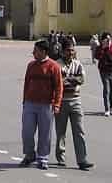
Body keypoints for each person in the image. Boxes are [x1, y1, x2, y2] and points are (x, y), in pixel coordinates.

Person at [20, 40, 63, 171]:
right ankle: (29, 154)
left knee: (45, 133)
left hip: (46, 105)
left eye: (36, 50)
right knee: (27, 131)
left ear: (44, 52)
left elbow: (59, 87)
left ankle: (42, 157)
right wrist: (24, 101)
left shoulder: (53, 66)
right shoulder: (31, 65)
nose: (33, 53)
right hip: (30, 103)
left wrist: (57, 104)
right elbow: (26, 83)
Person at [54, 40, 93, 171]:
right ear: (62, 51)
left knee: (79, 131)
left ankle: (82, 159)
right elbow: (58, 83)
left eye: (72, 50)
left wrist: (68, 79)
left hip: (76, 100)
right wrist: (72, 79)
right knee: (61, 132)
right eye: (68, 50)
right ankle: (61, 157)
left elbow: (82, 80)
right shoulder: (57, 65)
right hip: (62, 101)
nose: (70, 53)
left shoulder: (78, 64)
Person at [94, 32, 112, 116]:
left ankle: (111, 106)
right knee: (106, 89)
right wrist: (103, 48)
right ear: (102, 40)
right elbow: (97, 57)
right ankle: (106, 109)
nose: (108, 40)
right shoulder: (100, 47)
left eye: (109, 39)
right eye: (106, 39)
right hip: (104, 71)